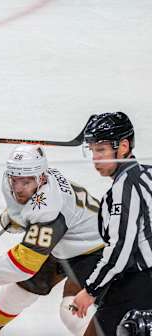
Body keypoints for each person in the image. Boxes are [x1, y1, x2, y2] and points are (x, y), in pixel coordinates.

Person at [0, 145, 105, 336]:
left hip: (95, 248)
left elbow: (23, 264)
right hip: (62, 239)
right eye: (15, 181)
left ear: (41, 178)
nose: (19, 189)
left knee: (72, 308)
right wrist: (21, 218)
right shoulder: (30, 182)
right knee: (16, 292)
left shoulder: (49, 209)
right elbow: (29, 208)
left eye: (27, 182)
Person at [71, 112, 152, 335]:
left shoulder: (124, 189)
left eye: (102, 150)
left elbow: (120, 249)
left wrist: (90, 291)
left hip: (140, 285)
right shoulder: (148, 174)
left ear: (123, 146)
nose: (95, 158)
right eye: (93, 150)